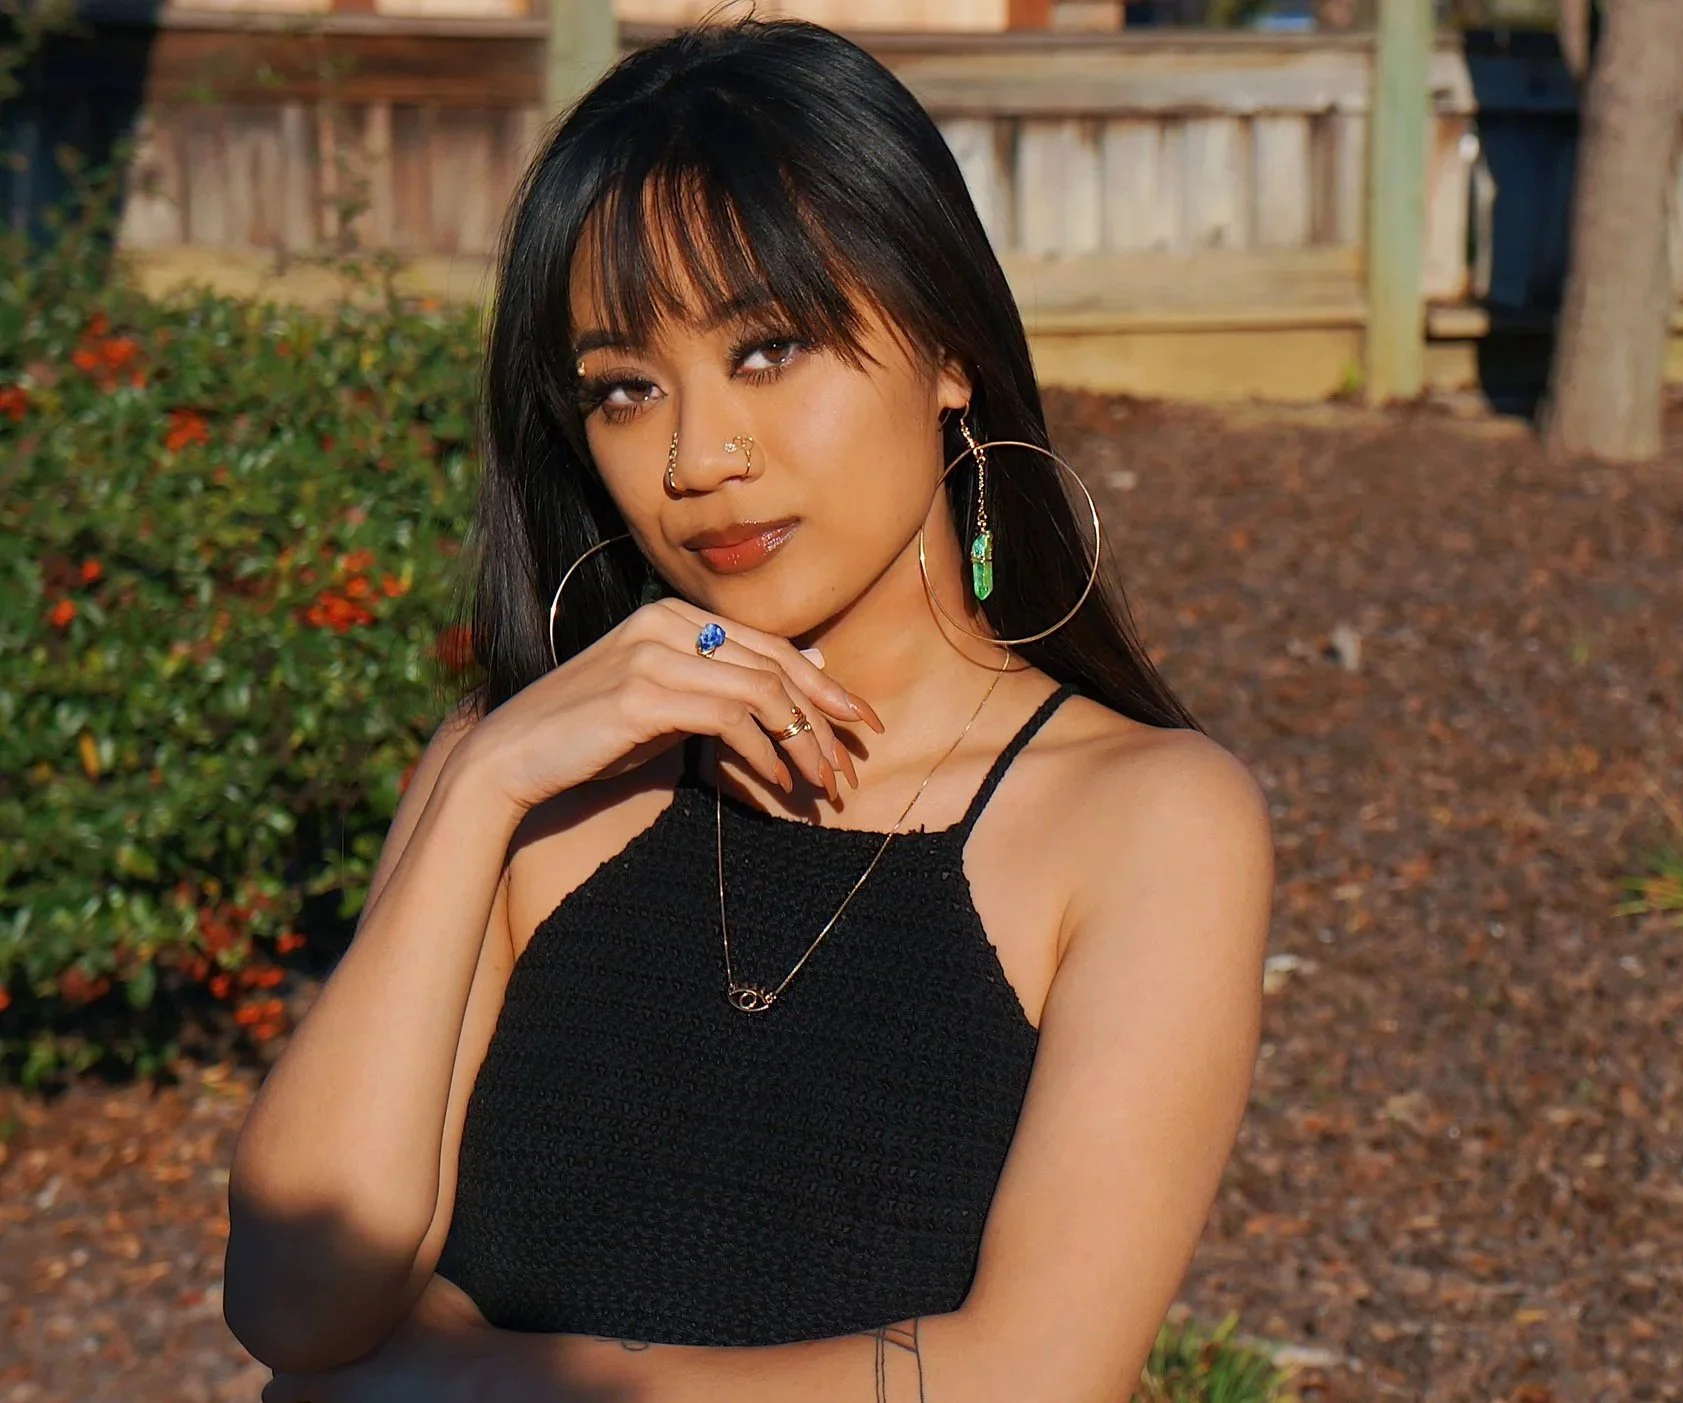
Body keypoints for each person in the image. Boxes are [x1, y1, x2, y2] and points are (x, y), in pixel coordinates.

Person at [223, 17, 1273, 1403]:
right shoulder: (525, 778)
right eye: (625, 388)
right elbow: (299, 1302)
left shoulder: (1145, 818)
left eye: (769, 349)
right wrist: (481, 783)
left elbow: (1032, 1374)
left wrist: (473, 1381)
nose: (698, 456)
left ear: (950, 344)